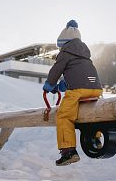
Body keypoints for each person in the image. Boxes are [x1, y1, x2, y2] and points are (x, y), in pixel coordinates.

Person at [43, 20, 103, 166]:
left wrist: (49, 85)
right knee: (90, 114)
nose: (60, 49)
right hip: (96, 89)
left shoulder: (65, 52)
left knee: (64, 116)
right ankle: (95, 139)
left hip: (78, 91)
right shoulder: (84, 54)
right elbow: (79, 72)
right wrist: (63, 85)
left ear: (64, 42)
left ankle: (68, 151)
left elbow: (56, 70)